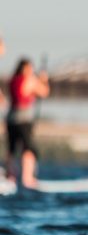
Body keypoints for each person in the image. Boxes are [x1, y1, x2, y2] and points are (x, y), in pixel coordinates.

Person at [6, 57, 49, 187]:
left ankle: (10, 177)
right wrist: (44, 81)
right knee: (28, 149)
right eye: (30, 68)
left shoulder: (12, 80)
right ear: (25, 69)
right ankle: (27, 178)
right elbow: (44, 92)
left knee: (12, 149)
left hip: (11, 118)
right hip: (24, 119)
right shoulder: (30, 80)